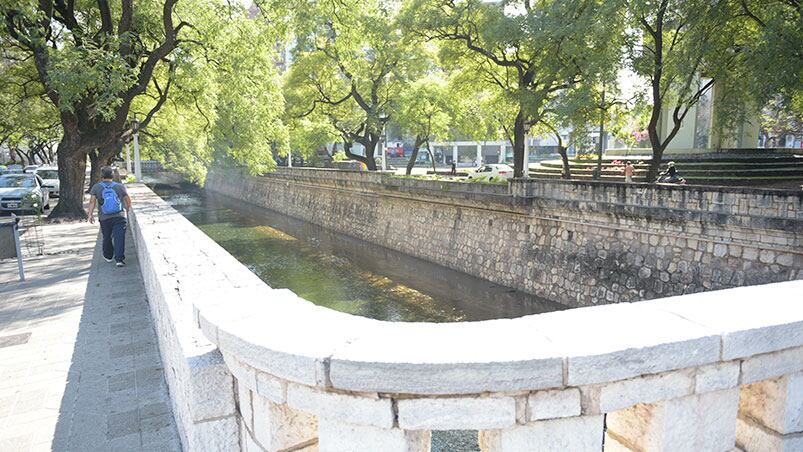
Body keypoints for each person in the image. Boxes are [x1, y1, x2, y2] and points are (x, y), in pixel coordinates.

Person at [87, 166, 132, 267]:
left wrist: (90, 215)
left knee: (107, 237)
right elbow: (128, 201)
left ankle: (108, 255)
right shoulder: (120, 186)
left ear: (101, 176)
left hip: (104, 218)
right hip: (119, 217)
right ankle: (119, 259)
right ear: (112, 175)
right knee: (119, 237)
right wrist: (127, 210)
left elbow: (92, 202)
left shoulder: (96, 187)